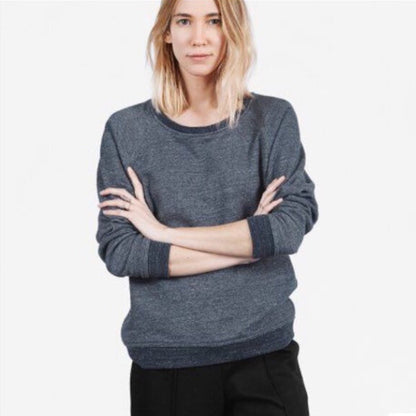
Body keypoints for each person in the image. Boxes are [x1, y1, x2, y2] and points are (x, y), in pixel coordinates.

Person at [95, 0, 319, 414]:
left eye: (214, 21)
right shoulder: (126, 131)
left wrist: (164, 233)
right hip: (167, 362)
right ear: (167, 32)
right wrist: (249, 242)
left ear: (232, 29)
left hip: (264, 353)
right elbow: (121, 250)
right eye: (184, 21)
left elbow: (287, 229)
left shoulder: (273, 120)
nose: (199, 37)